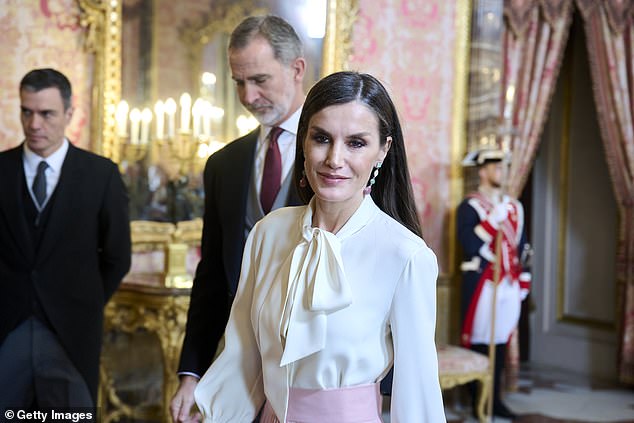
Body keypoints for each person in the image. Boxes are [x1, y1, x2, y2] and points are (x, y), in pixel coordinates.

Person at [193, 71, 446, 422]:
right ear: (304, 141)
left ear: (382, 150)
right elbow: (243, 355)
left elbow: (417, 391)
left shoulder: (406, 255)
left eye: (356, 143)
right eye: (322, 138)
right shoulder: (269, 233)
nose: (334, 159)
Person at [170, 15, 306, 422]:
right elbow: (212, 274)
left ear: (297, 69)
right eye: (238, 82)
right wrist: (191, 372)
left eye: (260, 79)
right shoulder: (223, 164)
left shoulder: (339, 156)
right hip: (239, 364)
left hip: (311, 367)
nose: (248, 95)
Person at [0, 68, 131, 409]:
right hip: (5, 328)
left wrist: (82, 302)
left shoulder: (101, 174)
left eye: (46, 113)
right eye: (27, 112)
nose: (34, 124)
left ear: (69, 114)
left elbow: (117, 256)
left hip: (72, 333)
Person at [456, 148, 531, 419]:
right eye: (496, 167)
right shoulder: (470, 206)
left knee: (499, 342)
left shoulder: (514, 207)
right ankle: (477, 397)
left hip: (508, 282)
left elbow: (522, 246)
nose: (501, 172)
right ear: (483, 170)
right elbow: (470, 243)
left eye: (504, 167)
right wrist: (491, 222)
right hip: (483, 283)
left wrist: (524, 280)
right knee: (480, 339)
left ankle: (495, 398)